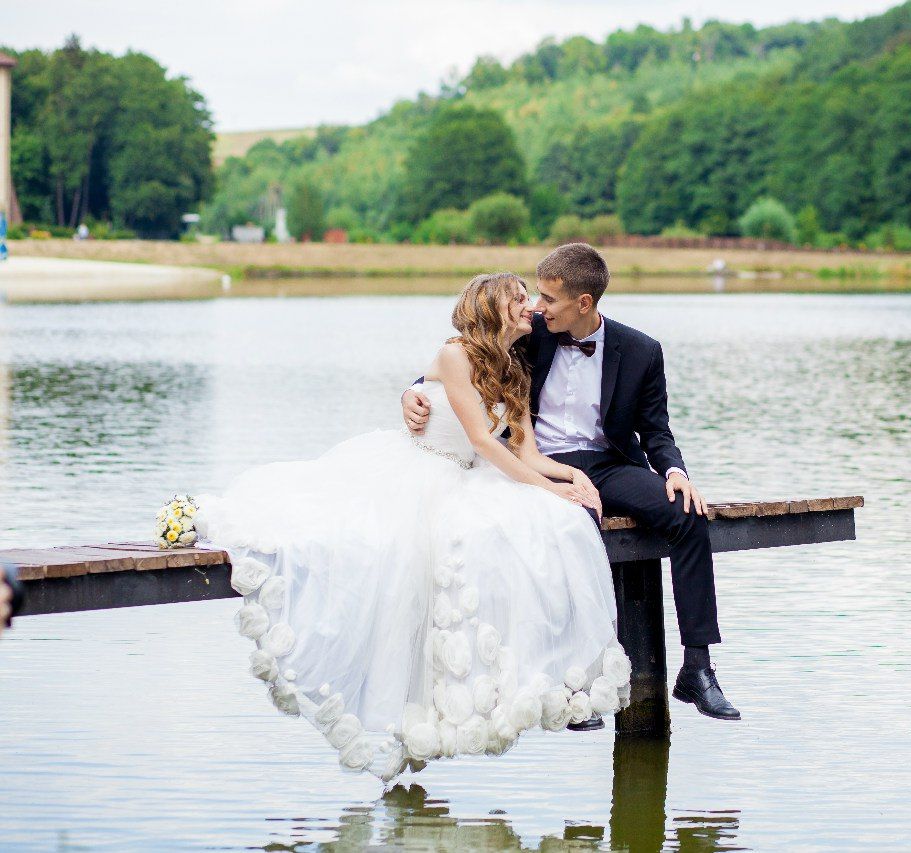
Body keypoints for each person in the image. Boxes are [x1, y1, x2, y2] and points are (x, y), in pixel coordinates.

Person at [194, 272, 633, 781]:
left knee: (557, 524)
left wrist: (570, 477)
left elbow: (526, 452)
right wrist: (547, 489)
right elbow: (482, 440)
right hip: (421, 471)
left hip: (469, 474)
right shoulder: (455, 355)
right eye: (518, 299)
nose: (530, 306)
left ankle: (554, 681)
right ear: (491, 308)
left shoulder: (515, 367)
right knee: (394, 544)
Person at [403, 243, 740, 723]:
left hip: (610, 463)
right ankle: (578, 679)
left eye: (548, 298)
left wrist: (675, 473)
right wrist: (412, 391)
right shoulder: (529, 331)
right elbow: (466, 363)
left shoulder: (641, 351)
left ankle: (698, 669)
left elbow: (657, 430)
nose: (537, 306)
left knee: (687, 515)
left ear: (584, 303)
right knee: (573, 526)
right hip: (540, 462)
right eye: (535, 297)